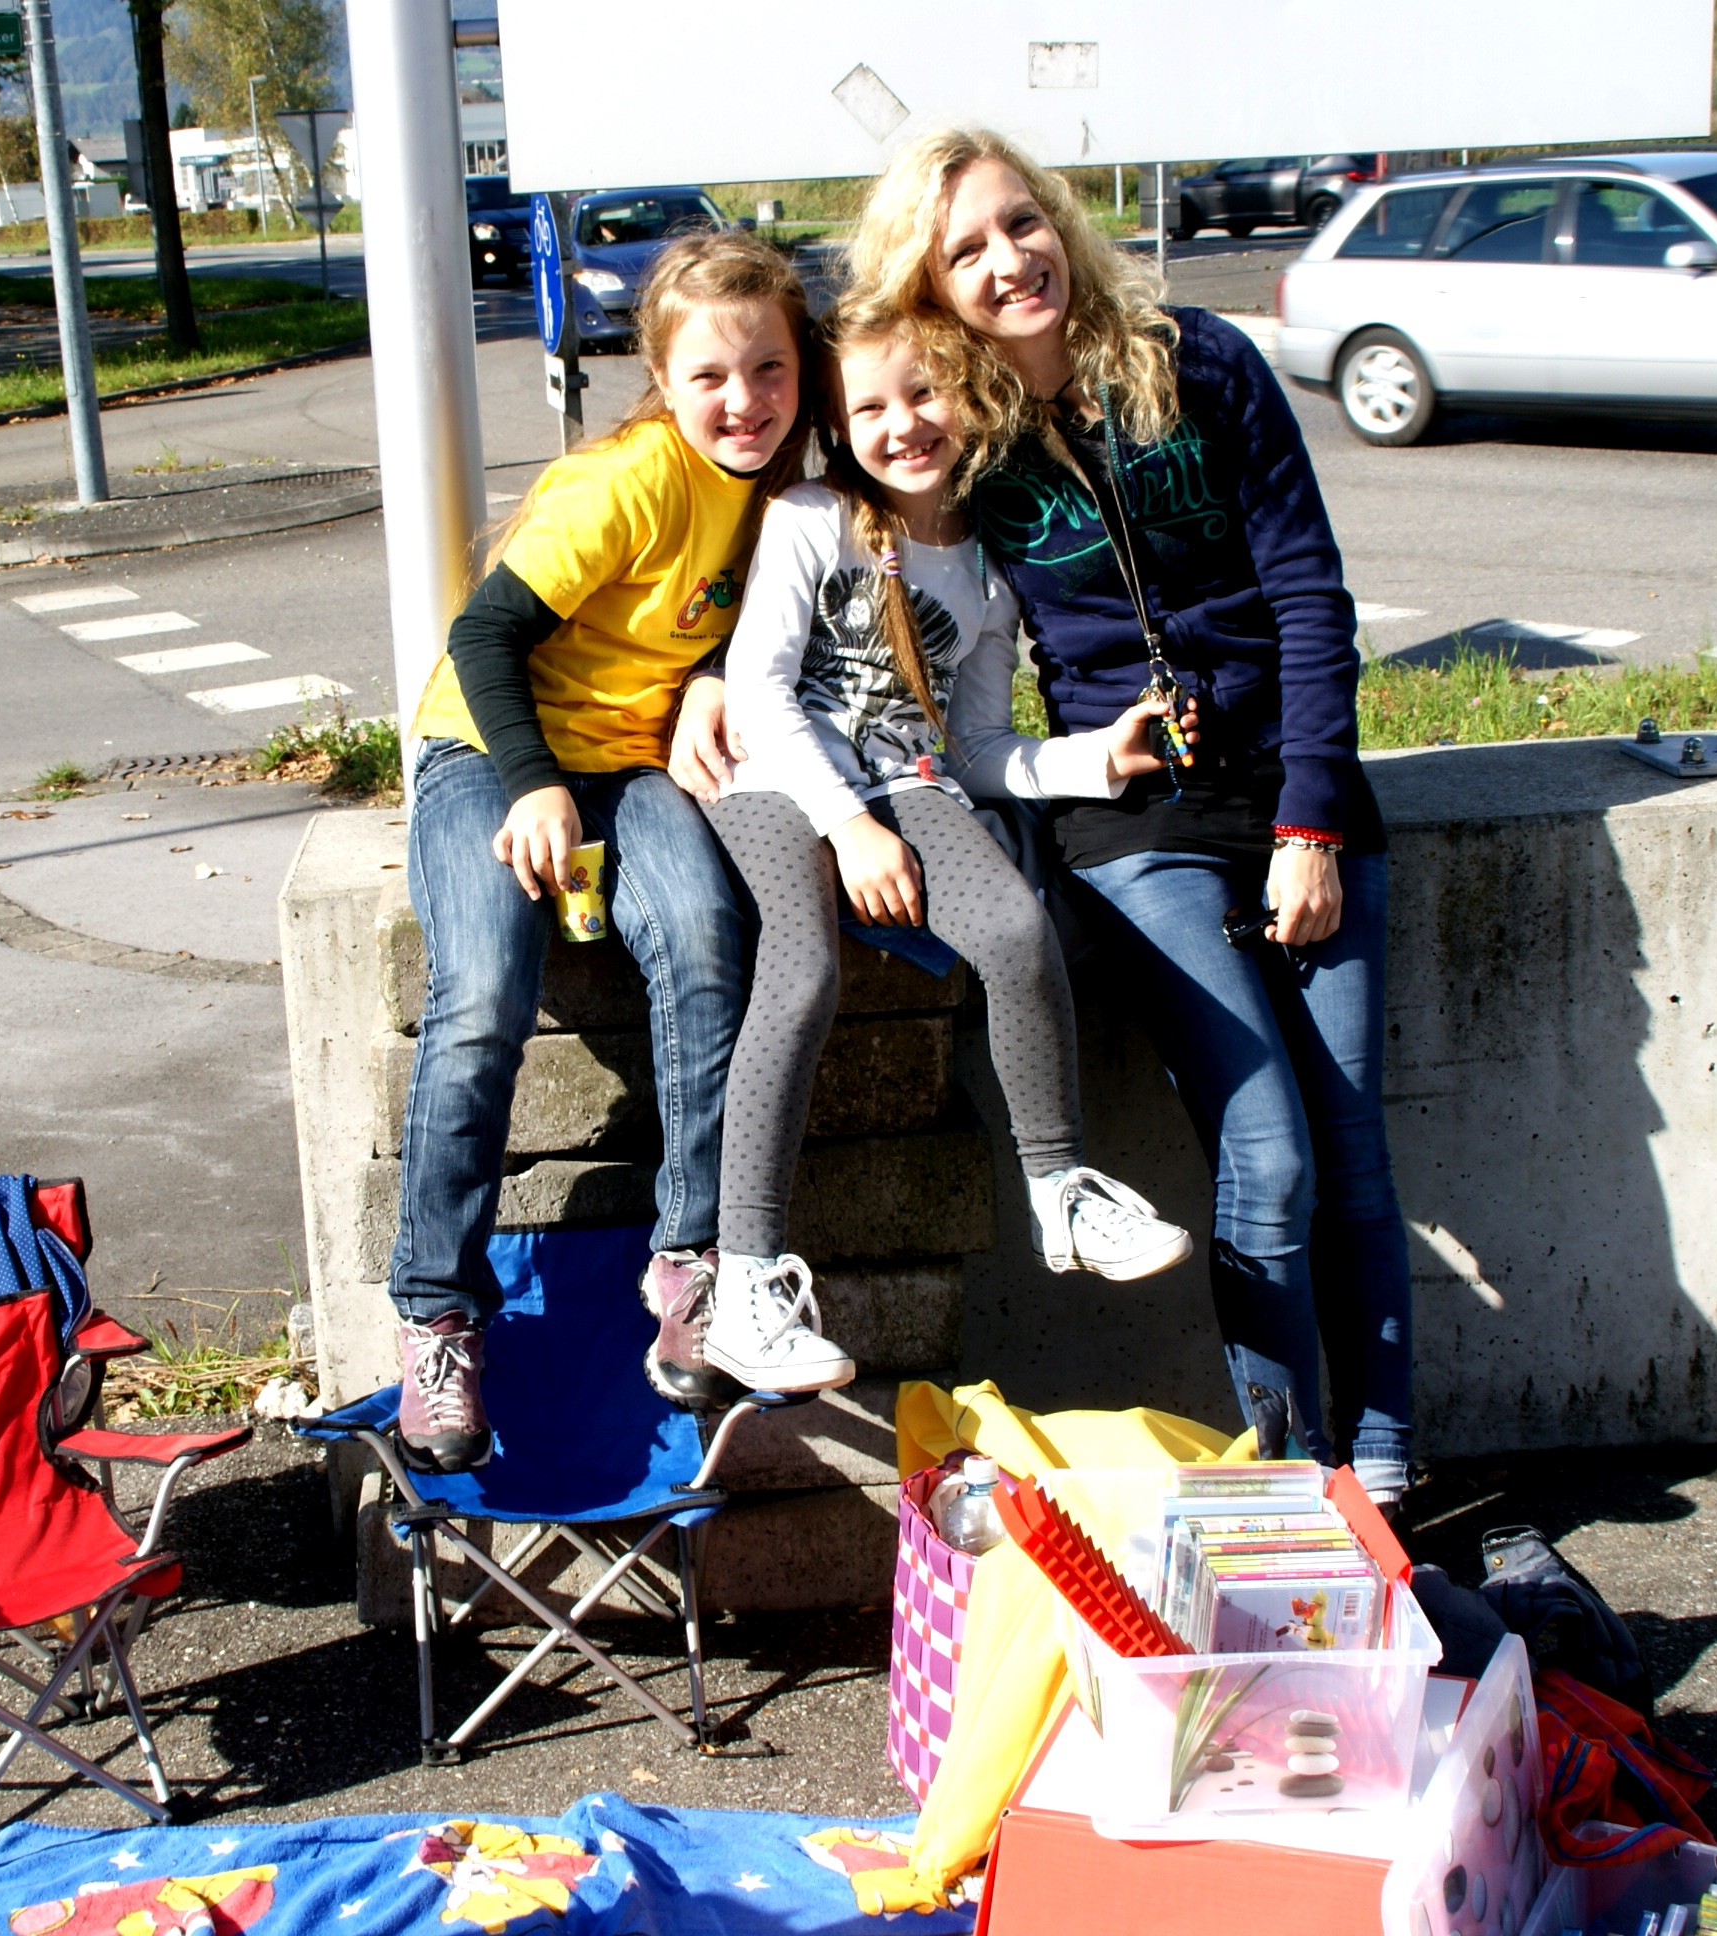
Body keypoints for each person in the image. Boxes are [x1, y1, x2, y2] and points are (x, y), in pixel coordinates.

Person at [849, 129, 1414, 1505]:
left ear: (1060, 220)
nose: (1009, 260)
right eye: (966, 250)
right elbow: (808, 536)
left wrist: (1310, 825)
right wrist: (707, 693)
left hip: (1290, 787)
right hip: (1133, 811)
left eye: (1021, 222)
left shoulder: (1197, 364)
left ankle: (1388, 1464)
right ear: (929, 286)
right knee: (1268, 1152)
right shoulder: (958, 438)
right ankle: (1296, 1480)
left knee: (1351, 1152)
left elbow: (1307, 593)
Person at [699, 295, 1195, 1395]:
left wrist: (1092, 760)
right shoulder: (811, 517)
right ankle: (743, 1277)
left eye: (923, 392)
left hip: (907, 782)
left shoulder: (982, 566)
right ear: (837, 425)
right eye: (871, 407)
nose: (904, 423)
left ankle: (1061, 1191)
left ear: (966, 394)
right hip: (775, 779)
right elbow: (759, 694)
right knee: (803, 968)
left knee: (1016, 928)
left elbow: (973, 746)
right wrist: (850, 827)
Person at [387, 229, 815, 1472]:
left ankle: (690, 1258)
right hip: (492, 750)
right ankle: (437, 1312)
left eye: (770, 369)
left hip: (629, 766)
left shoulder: (782, 487)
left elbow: (750, 626)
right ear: (661, 380)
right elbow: (483, 637)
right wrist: (531, 785)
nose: (744, 400)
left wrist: (707, 679)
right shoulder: (624, 483)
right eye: (711, 376)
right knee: (482, 992)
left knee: (703, 935)